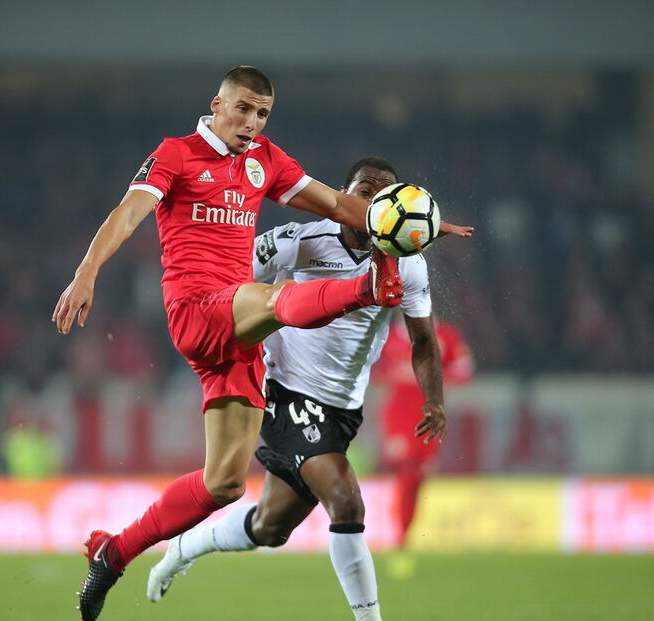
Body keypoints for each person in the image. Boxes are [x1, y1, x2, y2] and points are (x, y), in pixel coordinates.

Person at [52, 67, 472, 620]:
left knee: (224, 484)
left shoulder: (265, 161)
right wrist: (87, 272)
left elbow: (341, 206)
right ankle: (365, 288)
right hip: (199, 308)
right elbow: (128, 214)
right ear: (218, 105)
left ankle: (116, 552)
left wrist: (416, 222)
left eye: (263, 113)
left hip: (240, 336)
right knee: (276, 302)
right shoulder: (176, 154)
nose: (252, 122)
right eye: (244, 109)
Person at [145, 157, 450, 621]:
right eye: (363, 192)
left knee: (270, 527)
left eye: (384, 193)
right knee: (346, 498)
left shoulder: (408, 265)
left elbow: (424, 342)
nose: (373, 202)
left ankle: (184, 547)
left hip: (343, 409)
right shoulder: (297, 242)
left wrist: (435, 399)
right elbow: (229, 285)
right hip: (285, 391)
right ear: (343, 199)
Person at [373, 313, 473, 567]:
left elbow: (464, 370)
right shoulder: (388, 336)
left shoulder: (445, 336)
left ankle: (403, 536)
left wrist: (435, 379)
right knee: (405, 471)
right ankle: (398, 538)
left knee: (418, 478)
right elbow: (373, 371)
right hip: (398, 416)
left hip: (429, 415)